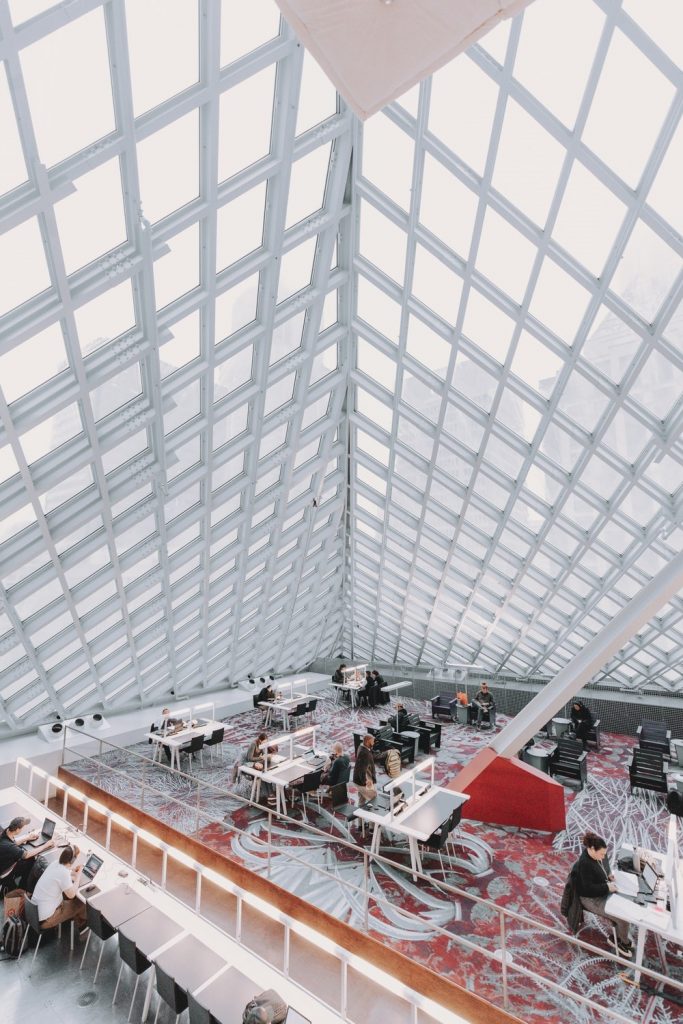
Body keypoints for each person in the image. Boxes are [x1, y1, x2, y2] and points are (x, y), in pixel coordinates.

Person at [575, 831, 632, 958]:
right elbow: (588, 889)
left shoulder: (600, 854)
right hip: (590, 899)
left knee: (624, 907)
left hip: (602, 889)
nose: (603, 856)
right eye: (601, 854)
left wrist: (609, 874)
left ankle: (616, 937)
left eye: (605, 853)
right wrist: (607, 887)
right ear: (591, 849)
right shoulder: (585, 864)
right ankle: (623, 942)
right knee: (623, 917)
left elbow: (604, 866)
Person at [32, 844, 88, 932]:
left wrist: (72, 872)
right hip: (45, 920)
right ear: (73, 860)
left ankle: (72, 919)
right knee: (81, 903)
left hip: (34, 913)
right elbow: (71, 895)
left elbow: (61, 875)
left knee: (67, 898)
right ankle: (82, 926)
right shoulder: (63, 873)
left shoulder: (55, 863)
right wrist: (79, 875)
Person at [0, 816, 55, 890]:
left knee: (26, 856)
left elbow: (12, 843)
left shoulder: (5, 832)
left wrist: (27, 838)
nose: (23, 829)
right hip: (4, 872)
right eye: (22, 828)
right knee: (31, 861)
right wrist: (46, 845)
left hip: (3, 861)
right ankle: (22, 887)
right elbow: (26, 855)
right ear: (17, 830)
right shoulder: (10, 846)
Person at [243, 732, 276, 806]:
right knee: (263, 776)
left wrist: (267, 756)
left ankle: (270, 793)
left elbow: (263, 753)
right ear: (260, 740)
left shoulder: (262, 744)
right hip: (251, 764)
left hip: (259, 762)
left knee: (266, 774)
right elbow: (249, 758)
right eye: (265, 741)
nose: (265, 743)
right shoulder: (253, 744)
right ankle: (269, 795)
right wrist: (260, 757)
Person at [353, 735, 378, 802]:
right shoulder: (365, 753)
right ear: (367, 742)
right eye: (372, 741)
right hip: (361, 782)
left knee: (362, 799)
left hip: (358, 780)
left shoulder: (362, 748)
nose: (373, 743)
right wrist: (365, 782)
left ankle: (360, 810)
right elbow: (361, 770)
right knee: (374, 797)